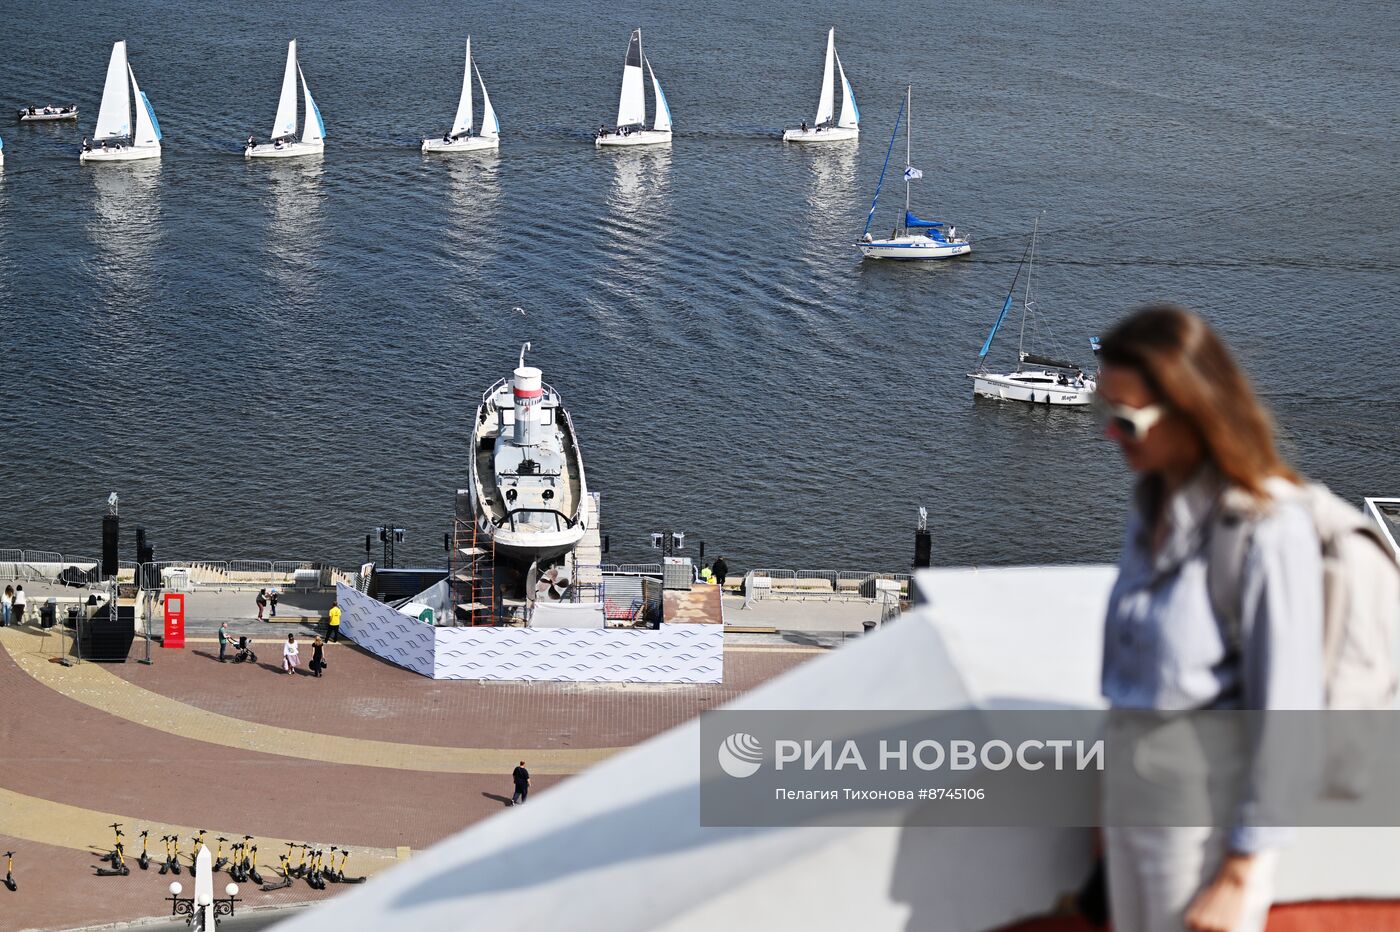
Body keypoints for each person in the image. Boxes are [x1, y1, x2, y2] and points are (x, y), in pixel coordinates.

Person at [1096, 305, 1323, 932]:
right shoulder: (1149, 509)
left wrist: (1239, 874)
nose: (1110, 436)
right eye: (1102, 414)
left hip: (1199, 830)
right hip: (1130, 807)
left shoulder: (1264, 529)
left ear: (1191, 410)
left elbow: (1291, 717)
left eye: (1125, 421)